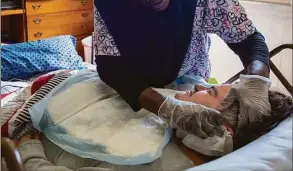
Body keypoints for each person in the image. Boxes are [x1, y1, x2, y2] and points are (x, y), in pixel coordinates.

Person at [93, 0, 270, 137]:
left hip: (189, 79)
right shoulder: (109, 2)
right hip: (136, 90)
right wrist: (167, 108)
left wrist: (258, 82)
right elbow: (109, 65)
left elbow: (249, 41)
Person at [14, 80, 292, 171]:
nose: (198, 84)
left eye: (210, 91)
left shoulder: (150, 161)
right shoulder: (175, 125)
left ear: (218, 131)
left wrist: (27, 147)